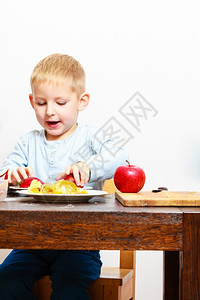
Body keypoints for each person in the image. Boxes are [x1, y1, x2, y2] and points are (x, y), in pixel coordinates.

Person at [0, 53, 128, 299]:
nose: (50, 112)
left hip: (80, 245)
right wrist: (12, 174)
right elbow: (6, 172)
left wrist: (89, 166)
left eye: (61, 103)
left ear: (82, 101)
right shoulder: (28, 142)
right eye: (41, 103)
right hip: (32, 243)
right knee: (5, 280)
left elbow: (121, 157)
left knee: (69, 289)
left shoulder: (91, 137)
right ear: (31, 101)